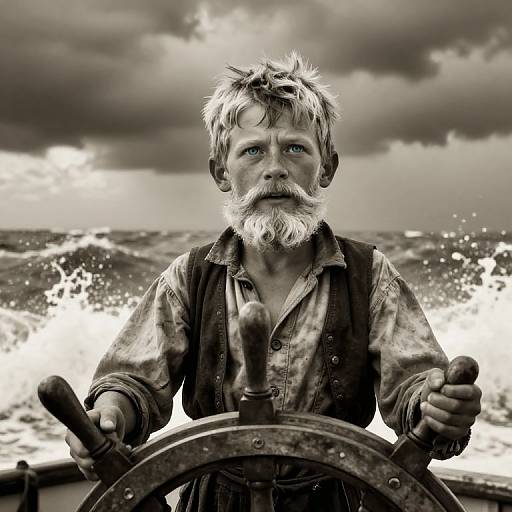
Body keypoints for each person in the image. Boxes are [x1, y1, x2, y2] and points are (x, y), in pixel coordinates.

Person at [66, 53, 481, 511]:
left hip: (335, 500)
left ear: (327, 168)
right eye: (253, 150)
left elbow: (414, 388)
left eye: (295, 148)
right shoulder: (189, 278)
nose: (275, 168)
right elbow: (132, 382)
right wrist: (109, 416)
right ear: (221, 172)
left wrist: (438, 407)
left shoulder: (370, 275)